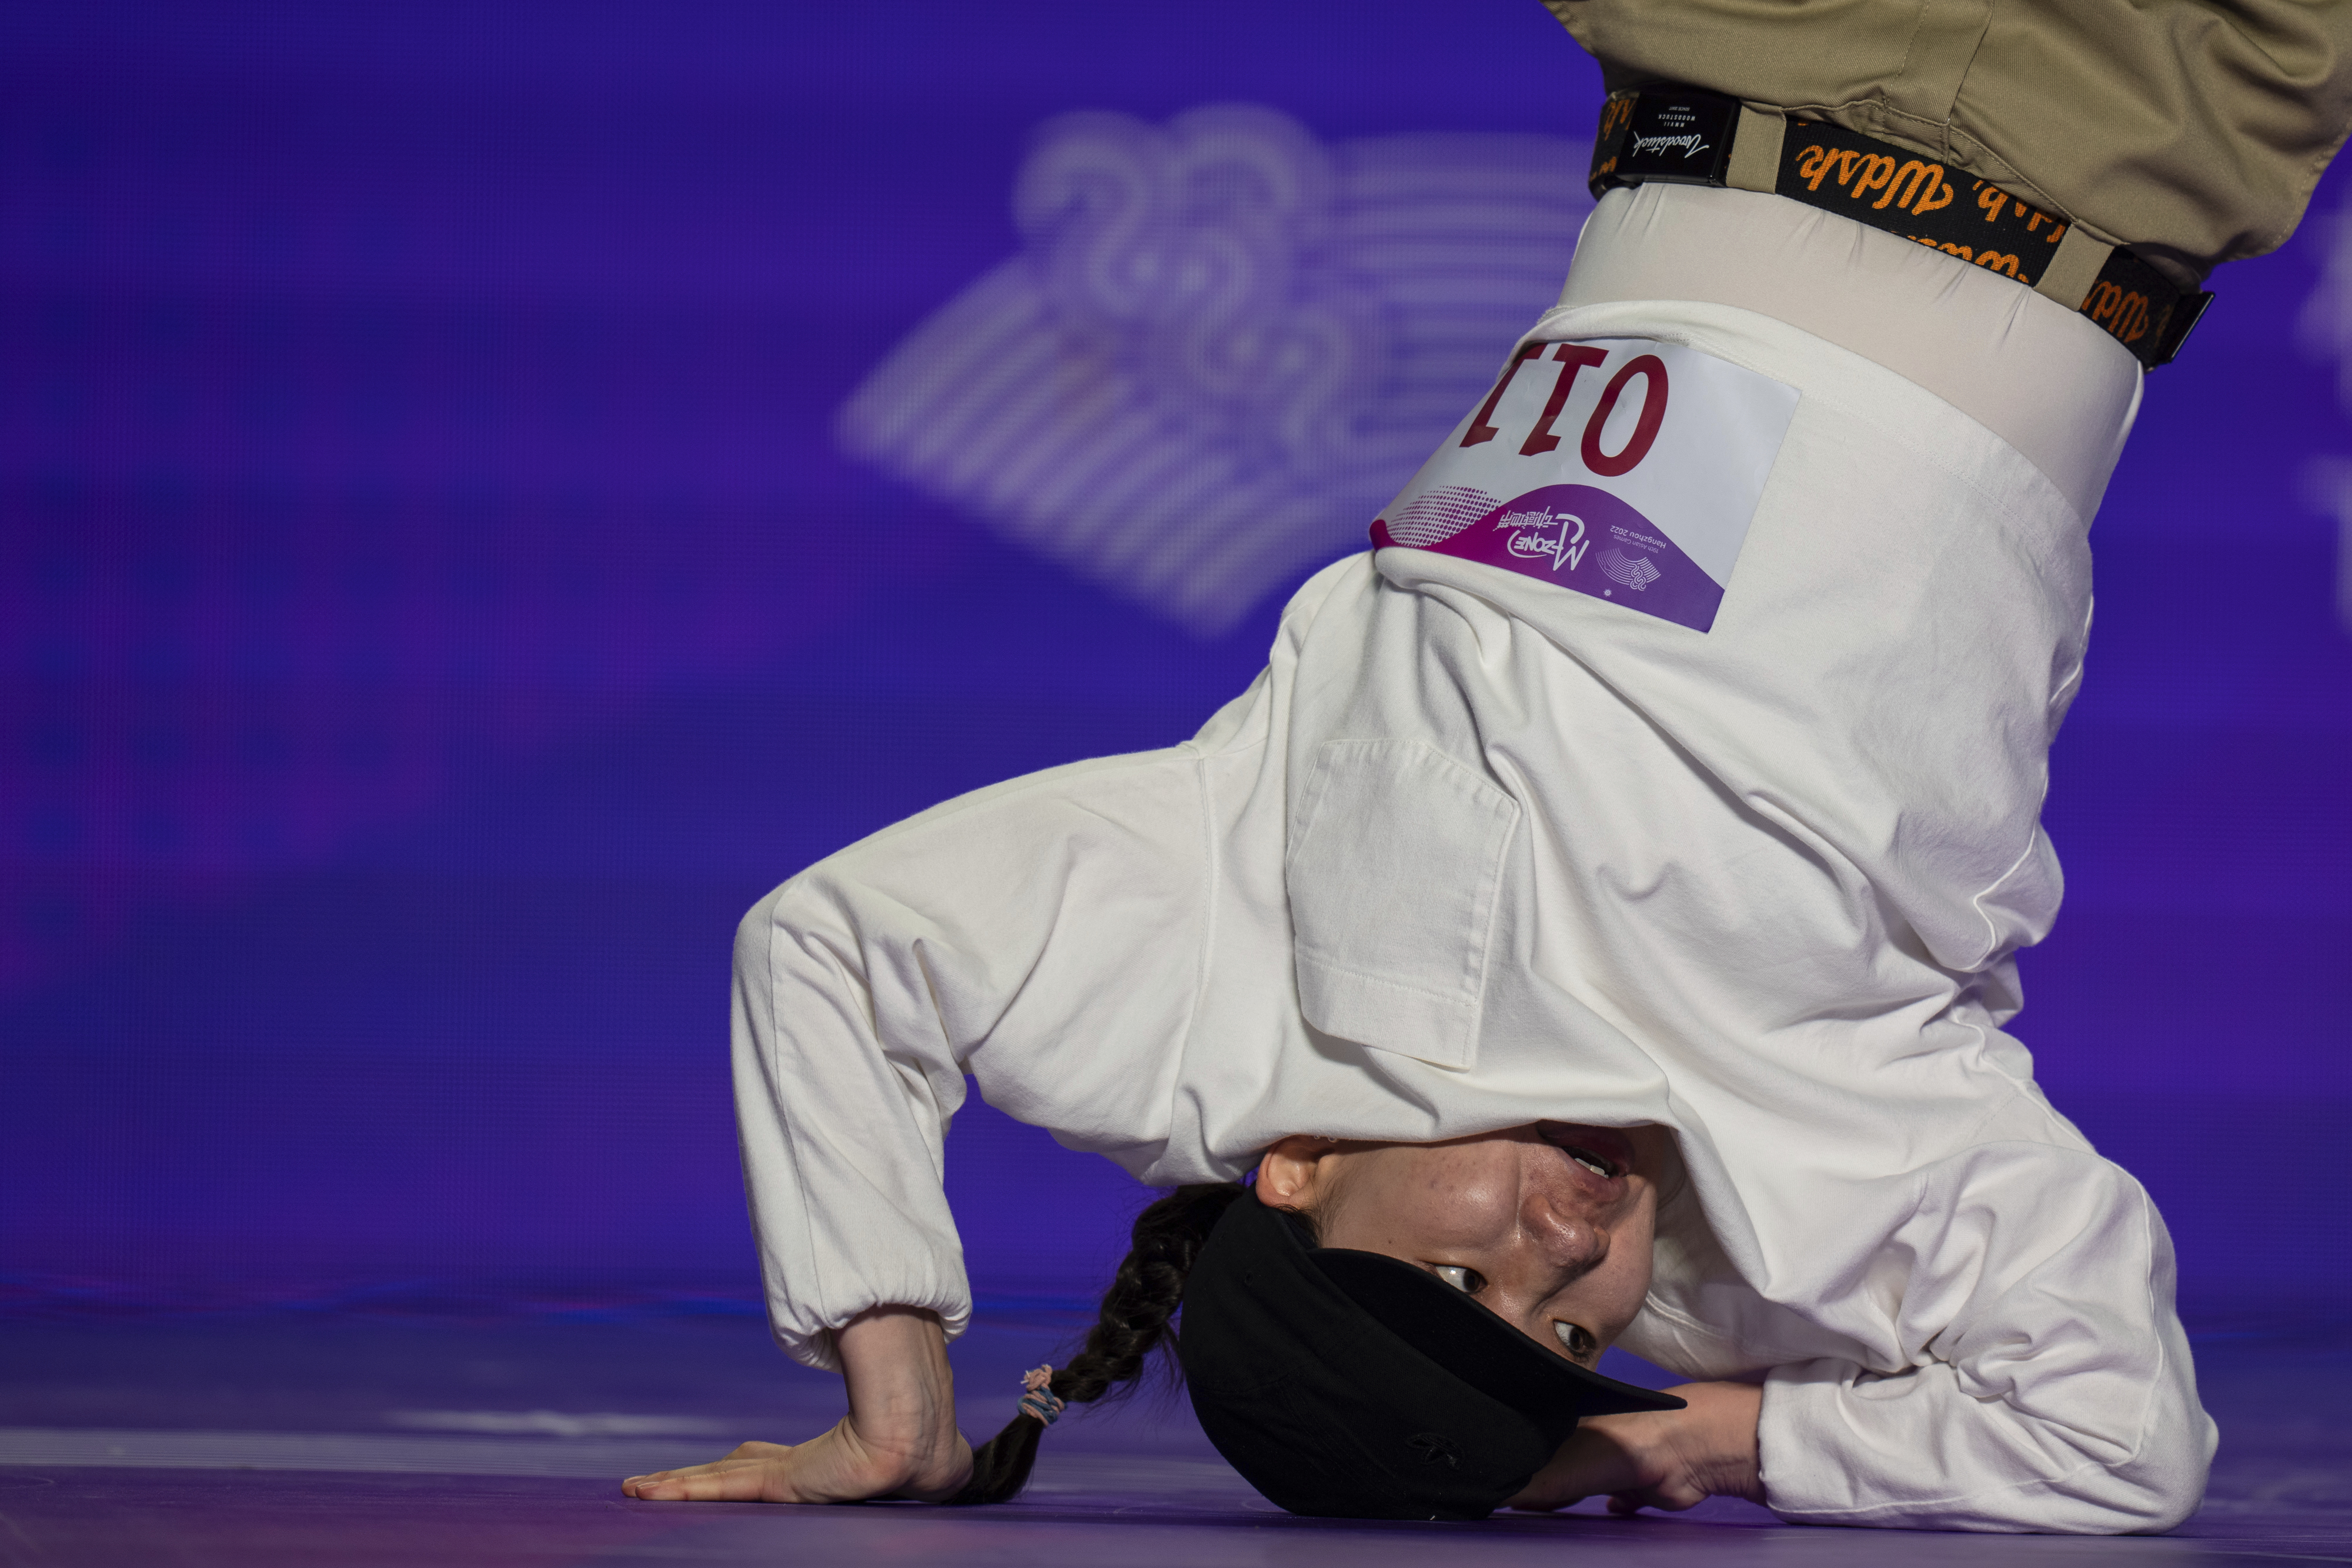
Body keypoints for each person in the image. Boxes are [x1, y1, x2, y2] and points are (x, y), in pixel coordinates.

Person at [623, 0, 2352, 1532]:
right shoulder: (1811, 1197)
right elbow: (2123, 1439)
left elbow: (834, 947)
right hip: (2121, 123)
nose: (1558, 1260)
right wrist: (1694, 1435)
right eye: (1575, 1334)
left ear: (1291, 1177)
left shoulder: (1229, 997)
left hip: (1735, 49)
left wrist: (903, 1395)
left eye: (1464, 1270)